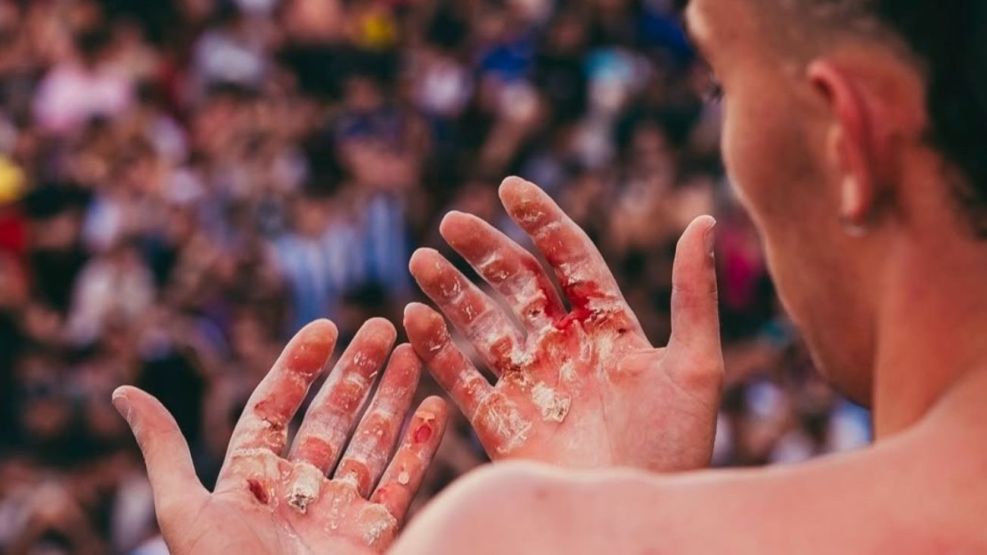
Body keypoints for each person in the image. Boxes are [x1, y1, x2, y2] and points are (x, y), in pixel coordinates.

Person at [114, 0, 987, 552]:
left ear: (848, 135)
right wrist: (623, 498)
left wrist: (593, 522)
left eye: (720, 84)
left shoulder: (510, 535)